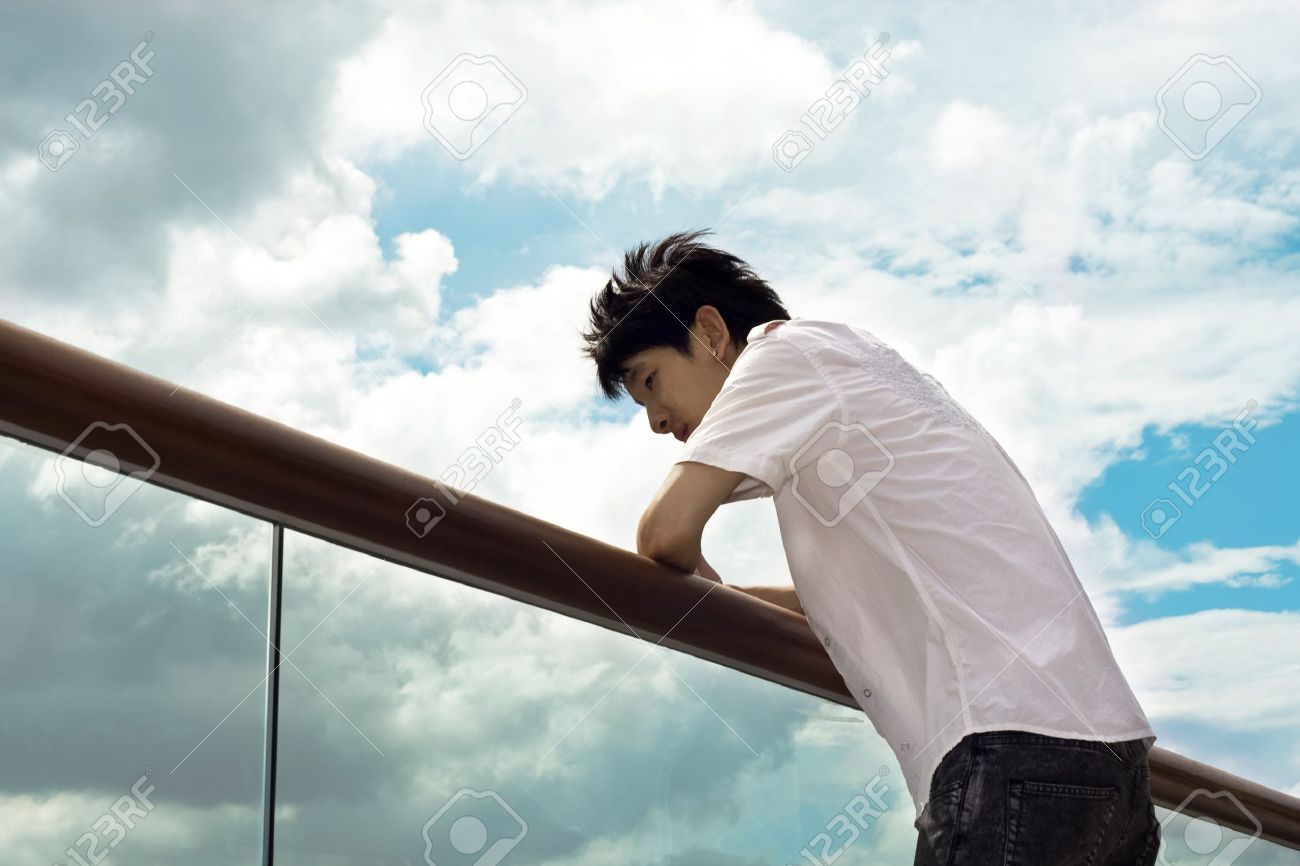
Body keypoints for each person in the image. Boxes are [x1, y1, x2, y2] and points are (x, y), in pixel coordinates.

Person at [580, 229, 1162, 865]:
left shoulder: (782, 358)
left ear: (712, 333)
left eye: (650, 381)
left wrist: (696, 585)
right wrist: (731, 598)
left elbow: (663, 534)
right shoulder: (854, 366)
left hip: (1008, 749)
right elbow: (856, 596)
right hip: (1116, 772)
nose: (657, 420)